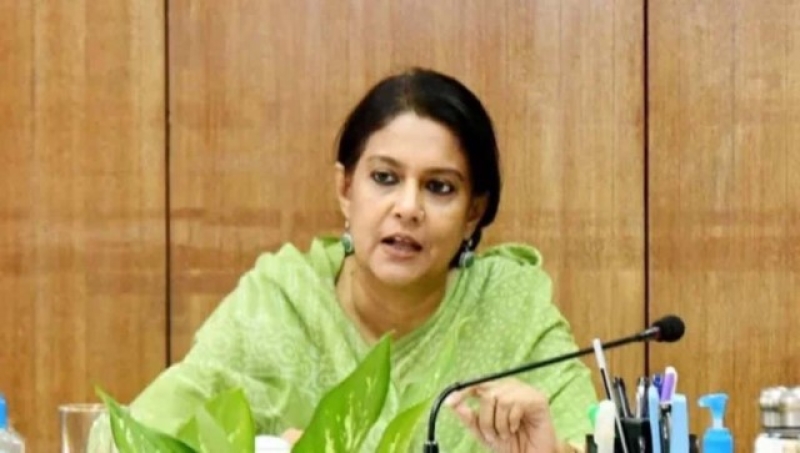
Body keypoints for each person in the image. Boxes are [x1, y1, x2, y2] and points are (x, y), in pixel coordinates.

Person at [90, 67, 597, 452]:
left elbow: (596, 439)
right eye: (385, 178)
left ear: (474, 213)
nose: (408, 208)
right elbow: (122, 439)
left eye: (439, 187)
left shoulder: (511, 307)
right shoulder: (282, 304)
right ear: (345, 189)